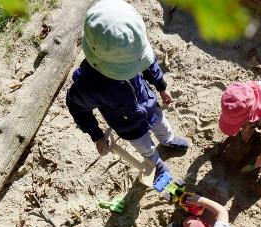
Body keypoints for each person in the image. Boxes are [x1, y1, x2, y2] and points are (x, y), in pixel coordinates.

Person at [66, 0, 189, 181]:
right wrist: (96, 135)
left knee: (162, 124)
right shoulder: (89, 84)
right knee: (144, 146)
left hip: (148, 102)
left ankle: (167, 139)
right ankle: (156, 163)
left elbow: (149, 64)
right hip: (127, 123)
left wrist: (161, 86)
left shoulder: (132, 48)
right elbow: (76, 106)